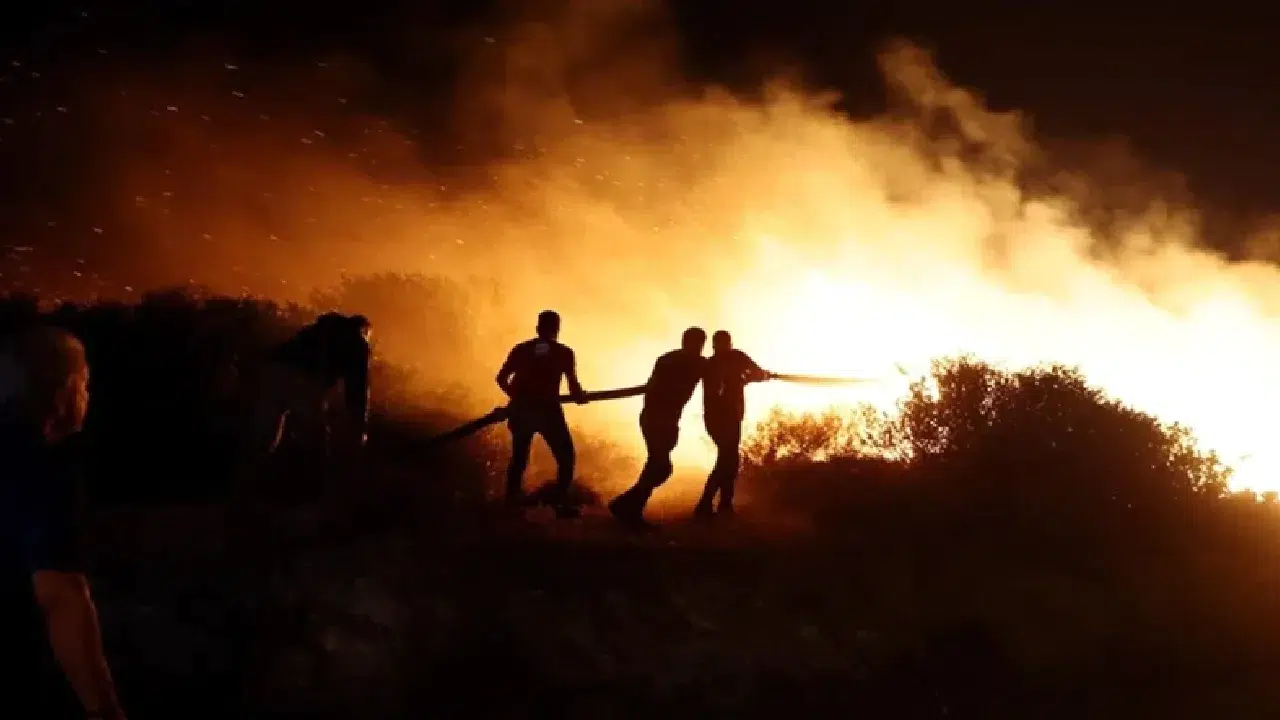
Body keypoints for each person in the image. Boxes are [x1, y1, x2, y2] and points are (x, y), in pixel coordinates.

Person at [0, 325, 127, 719]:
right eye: (85, 383)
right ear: (67, 390)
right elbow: (61, 595)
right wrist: (104, 710)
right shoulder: (42, 468)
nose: (88, 395)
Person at [234, 312, 371, 502]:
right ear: (363, 330)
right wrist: (359, 428)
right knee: (317, 438)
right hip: (303, 380)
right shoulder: (358, 343)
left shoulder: (316, 330)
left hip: (272, 373)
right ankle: (317, 494)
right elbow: (357, 389)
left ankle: (243, 491)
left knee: (264, 439)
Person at [608, 327, 707, 528]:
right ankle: (624, 505)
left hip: (659, 419)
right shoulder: (694, 363)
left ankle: (629, 509)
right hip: (658, 419)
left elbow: (651, 388)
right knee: (661, 467)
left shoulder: (670, 360)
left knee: (656, 466)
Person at [495, 310, 588, 518]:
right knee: (565, 458)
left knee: (520, 457)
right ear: (557, 330)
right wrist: (580, 396)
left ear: (537, 328)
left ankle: (512, 501)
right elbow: (574, 388)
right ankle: (557, 502)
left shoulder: (522, 349)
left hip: (527, 411)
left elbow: (501, 379)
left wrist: (517, 399)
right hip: (546, 412)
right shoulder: (564, 353)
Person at [694, 330, 771, 519]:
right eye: (719, 344)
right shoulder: (711, 365)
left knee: (729, 459)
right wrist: (748, 379)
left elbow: (756, 372)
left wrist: (754, 377)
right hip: (719, 418)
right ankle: (707, 503)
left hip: (731, 417)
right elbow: (719, 389)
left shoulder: (736, 357)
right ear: (715, 345)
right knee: (727, 459)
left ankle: (724, 504)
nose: (722, 347)